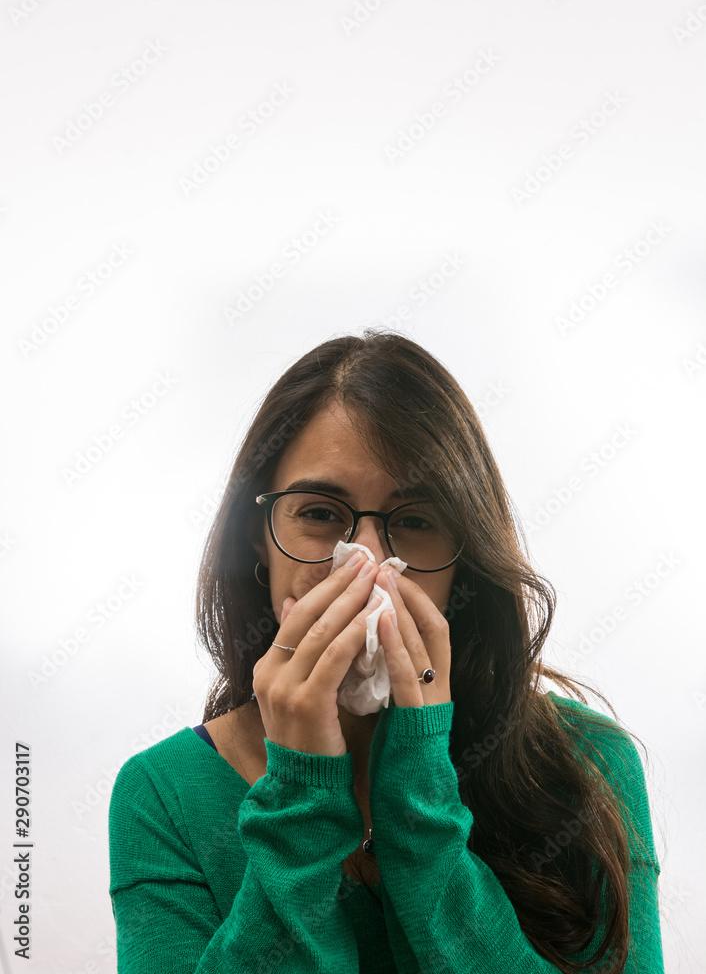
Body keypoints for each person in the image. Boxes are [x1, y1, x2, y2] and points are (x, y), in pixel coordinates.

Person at [108, 329, 665, 973]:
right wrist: (300, 796)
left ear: (467, 561)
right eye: (320, 513)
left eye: (415, 521)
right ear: (258, 537)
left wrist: (421, 792)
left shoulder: (590, 765)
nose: (366, 564)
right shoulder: (163, 794)